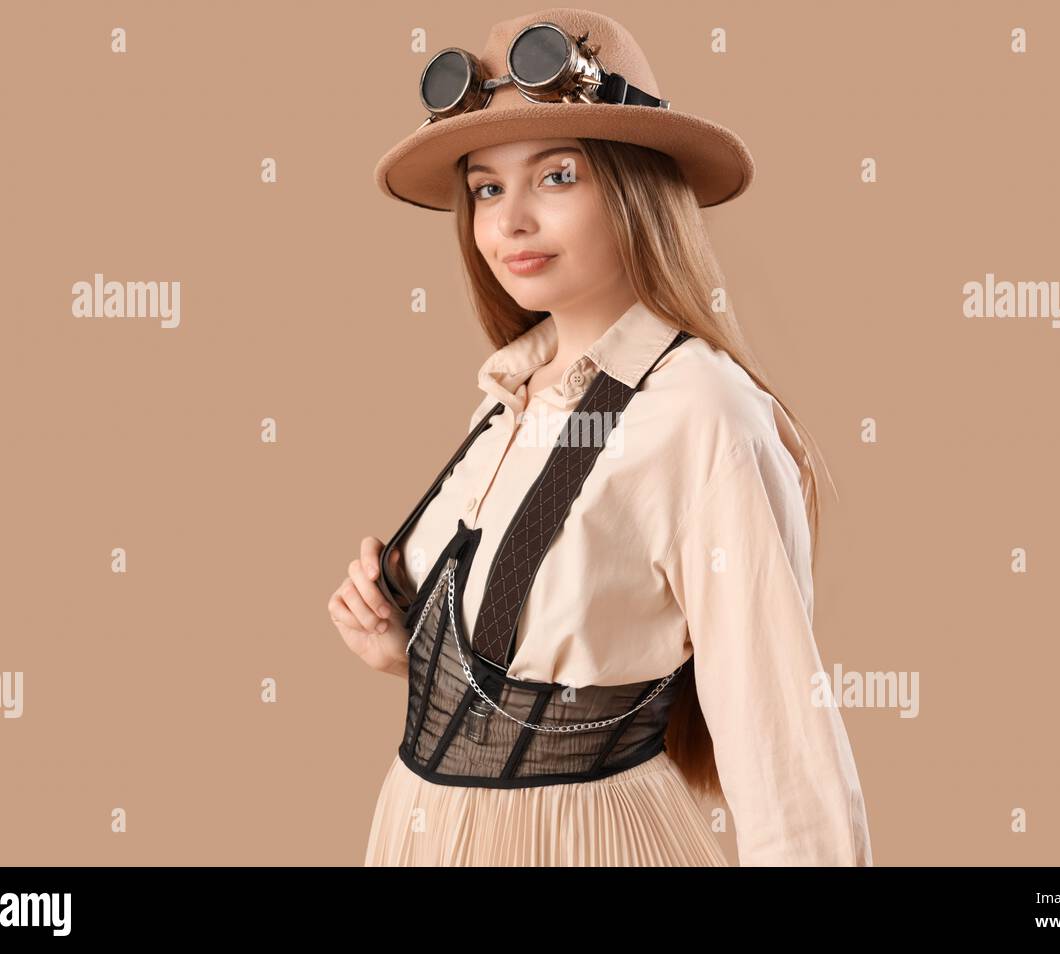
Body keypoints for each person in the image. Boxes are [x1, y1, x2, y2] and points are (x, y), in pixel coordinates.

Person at [330, 6, 873, 867]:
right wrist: (410, 655)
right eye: (486, 187)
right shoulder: (504, 401)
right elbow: (560, 657)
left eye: (555, 177)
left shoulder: (702, 409)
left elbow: (782, 746)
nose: (509, 223)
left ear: (633, 185)